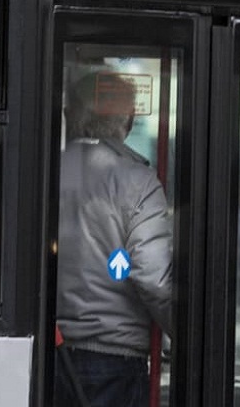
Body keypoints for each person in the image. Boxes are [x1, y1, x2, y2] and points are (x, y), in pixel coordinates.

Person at [54, 72, 173, 407]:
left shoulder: (42, 171)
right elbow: (155, 280)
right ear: (130, 120)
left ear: (68, 116)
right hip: (113, 360)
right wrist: (185, 335)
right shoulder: (138, 180)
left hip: (49, 351)